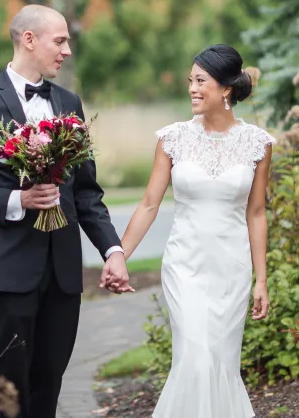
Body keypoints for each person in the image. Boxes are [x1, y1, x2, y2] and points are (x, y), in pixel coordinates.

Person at [0, 4, 129, 418]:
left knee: (50, 381)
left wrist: (112, 251)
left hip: (63, 272)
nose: (67, 51)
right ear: (29, 39)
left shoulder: (68, 102)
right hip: (8, 270)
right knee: (10, 387)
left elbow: (85, 192)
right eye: (60, 41)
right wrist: (18, 201)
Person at [104, 44, 275, 418]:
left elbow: (257, 213)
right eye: (190, 81)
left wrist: (261, 280)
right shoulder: (173, 138)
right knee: (195, 358)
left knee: (220, 362)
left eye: (201, 81)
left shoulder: (259, 145)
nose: (192, 89)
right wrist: (119, 256)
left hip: (231, 268)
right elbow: (149, 203)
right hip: (185, 265)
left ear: (226, 88)